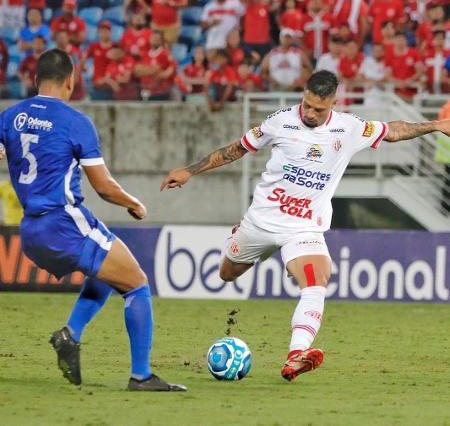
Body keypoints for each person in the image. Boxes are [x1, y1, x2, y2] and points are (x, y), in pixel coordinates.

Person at [160, 69, 450, 382]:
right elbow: (236, 149)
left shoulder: (350, 128)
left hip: (304, 229)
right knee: (227, 274)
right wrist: (190, 171)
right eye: (306, 105)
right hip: (260, 221)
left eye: (318, 109)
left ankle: (296, 355)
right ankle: (242, 238)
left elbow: (394, 130)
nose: (309, 113)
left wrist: (434, 126)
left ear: (334, 103)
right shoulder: (279, 121)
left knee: (317, 280)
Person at [0, 49, 186, 392]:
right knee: (137, 283)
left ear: (34, 79)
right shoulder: (75, 122)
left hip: (29, 230)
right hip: (64, 223)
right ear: (71, 81)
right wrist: (135, 204)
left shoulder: (11, 116)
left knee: (106, 273)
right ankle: (141, 376)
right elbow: (103, 187)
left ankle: (70, 334)